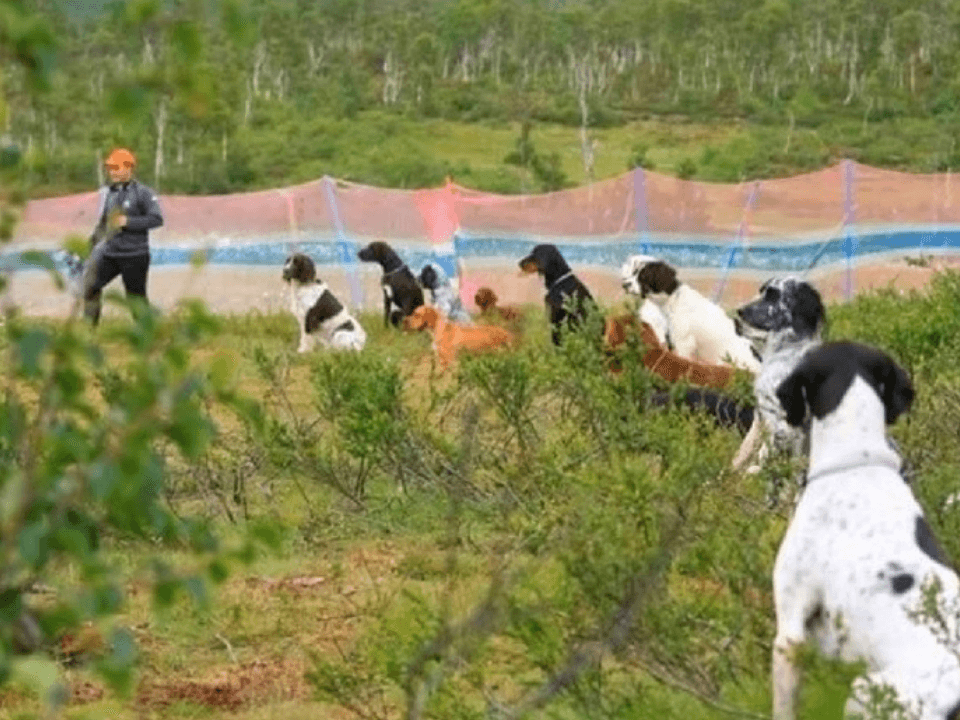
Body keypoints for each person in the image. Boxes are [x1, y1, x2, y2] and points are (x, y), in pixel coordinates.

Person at [82, 147, 163, 324]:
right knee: (90, 286)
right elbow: (103, 223)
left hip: (134, 255)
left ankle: (146, 332)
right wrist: (88, 247)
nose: (112, 172)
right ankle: (89, 329)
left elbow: (156, 219)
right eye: (110, 168)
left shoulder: (143, 193)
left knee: (136, 300)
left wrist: (128, 222)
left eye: (116, 168)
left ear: (129, 168)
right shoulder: (111, 193)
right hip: (110, 253)